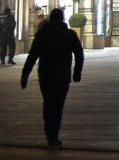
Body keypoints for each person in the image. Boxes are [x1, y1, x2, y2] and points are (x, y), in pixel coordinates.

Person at [20, 8, 84, 148]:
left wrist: (25, 75)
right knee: (58, 106)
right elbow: (79, 54)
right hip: (62, 75)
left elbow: (32, 56)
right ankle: (53, 136)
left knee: (48, 103)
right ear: (62, 19)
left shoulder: (42, 34)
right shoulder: (69, 34)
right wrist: (77, 72)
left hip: (46, 75)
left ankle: (50, 134)